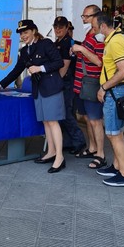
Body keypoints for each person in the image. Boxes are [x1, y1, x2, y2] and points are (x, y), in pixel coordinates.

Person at [0, 19, 66, 173]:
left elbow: (58, 62)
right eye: (21, 34)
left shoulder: (45, 44)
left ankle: (60, 157)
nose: (23, 36)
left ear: (34, 31)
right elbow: (16, 70)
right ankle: (51, 151)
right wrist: (1, 84)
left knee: (53, 122)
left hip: (51, 88)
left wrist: (40, 68)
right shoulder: (25, 51)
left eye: (26, 32)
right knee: (46, 122)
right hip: (38, 89)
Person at [95, 12, 124, 187]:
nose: (95, 32)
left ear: (103, 26)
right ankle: (116, 166)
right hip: (120, 91)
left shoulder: (114, 42)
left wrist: (104, 87)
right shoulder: (121, 39)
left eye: (95, 28)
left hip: (114, 92)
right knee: (118, 132)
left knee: (113, 134)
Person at [71, 5, 107, 169]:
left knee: (95, 120)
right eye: (83, 16)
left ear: (96, 16)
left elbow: (99, 61)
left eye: (86, 16)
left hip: (91, 83)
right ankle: (92, 147)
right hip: (81, 84)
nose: (84, 19)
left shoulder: (100, 36)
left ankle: (100, 154)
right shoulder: (89, 34)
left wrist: (81, 49)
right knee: (86, 118)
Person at [53, 16, 86, 154]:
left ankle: (79, 141)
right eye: (56, 27)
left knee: (66, 112)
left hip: (66, 81)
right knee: (63, 113)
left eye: (61, 27)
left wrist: (55, 82)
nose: (58, 29)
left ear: (67, 28)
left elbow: (64, 67)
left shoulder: (68, 42)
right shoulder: (57, 42)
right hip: (61, 81)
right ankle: (67, 142)